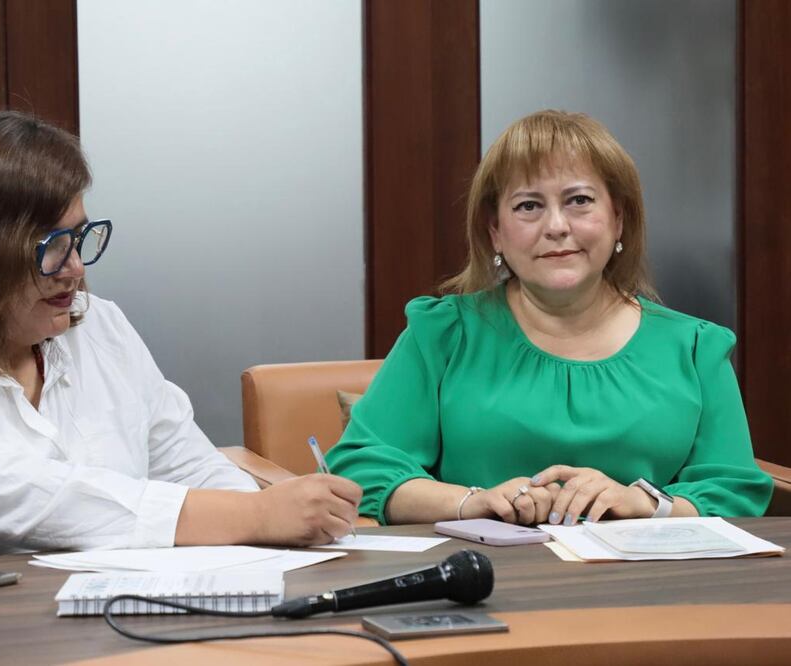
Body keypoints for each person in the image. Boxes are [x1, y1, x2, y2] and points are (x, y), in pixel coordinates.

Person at [0, 111, 360, 579]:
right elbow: (18, 495)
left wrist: (281, 532)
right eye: (52, 246)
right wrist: (256, 515)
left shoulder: (99, 327)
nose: (75, 268)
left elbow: (185, 462)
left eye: (82, 237)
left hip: (71, 625)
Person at [327, 110, 773, 527]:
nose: (556, 226)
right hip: (483, 580)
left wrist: (643, 502)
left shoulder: (695, 347)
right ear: (495, 231)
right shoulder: (443, 333)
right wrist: (473, 503)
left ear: (618, 219)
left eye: (579, 200)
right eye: (528, 206)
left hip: (651, 586)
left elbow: (733, 492)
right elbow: (364, 467)